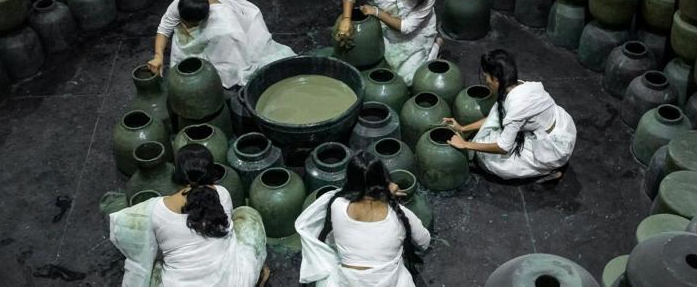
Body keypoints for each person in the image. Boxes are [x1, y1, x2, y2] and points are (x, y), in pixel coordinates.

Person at [108, 144, 270, 287]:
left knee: (152, 267)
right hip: (236, 282)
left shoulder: (156, 209)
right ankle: (256, 275)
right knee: (247, 214)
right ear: (210, 172)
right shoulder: (222, 194)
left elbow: (124, 226)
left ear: (176, 173)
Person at [295, 152, 431, 287]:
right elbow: (424, 241)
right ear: (384, 178)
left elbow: (346, 193)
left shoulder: (337, 205)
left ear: (349, 179)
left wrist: (381, 190)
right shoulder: (400, 215)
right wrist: (387, 193)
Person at [441, 49, 577, 181]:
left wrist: (465, 144)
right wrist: (463, 128)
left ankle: (552, 169)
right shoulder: (517, 85)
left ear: (496, 79)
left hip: (554, 146)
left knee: (489, 160)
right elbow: (494, 118)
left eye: (486, 77)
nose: (485, 81)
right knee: (485, 139)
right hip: (558, 124)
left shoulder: (517, 106)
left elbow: (503, 147)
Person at [148, 0, 295, 88]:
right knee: (182, 38)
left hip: (244, 21)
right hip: (214, 22)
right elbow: (165, 27)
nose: (185, 27)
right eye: (183, 21)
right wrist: (158, 55)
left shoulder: (226, 25)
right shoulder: (183, 1)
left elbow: (235, 62)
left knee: (229, 63)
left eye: (190, 24)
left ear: (205, 19)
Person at [337, 0, 438, 85]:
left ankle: (436, 44)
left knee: (409, 79)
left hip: (416, 30)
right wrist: (346, 19)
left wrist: (377, 12)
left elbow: (407, 28)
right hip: (386, 23)